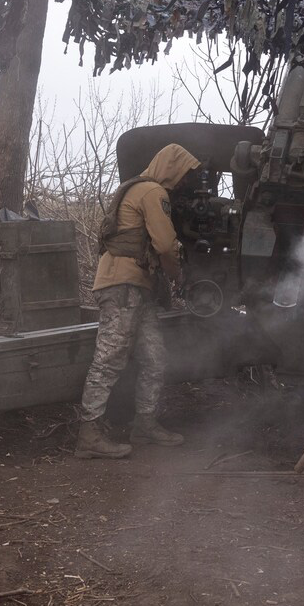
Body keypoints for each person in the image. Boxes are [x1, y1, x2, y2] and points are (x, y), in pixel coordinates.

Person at [75, 143, 198, 459]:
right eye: (183, 173)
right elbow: (166, 244)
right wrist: (177, 276)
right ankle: (89, 433)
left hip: (136, 288)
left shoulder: (138, 187)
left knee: (154, 358)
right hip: (123, 286)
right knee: (109, 359)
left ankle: (144, 424)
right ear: (171, 168)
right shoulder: (152, 191)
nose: (185, 181)